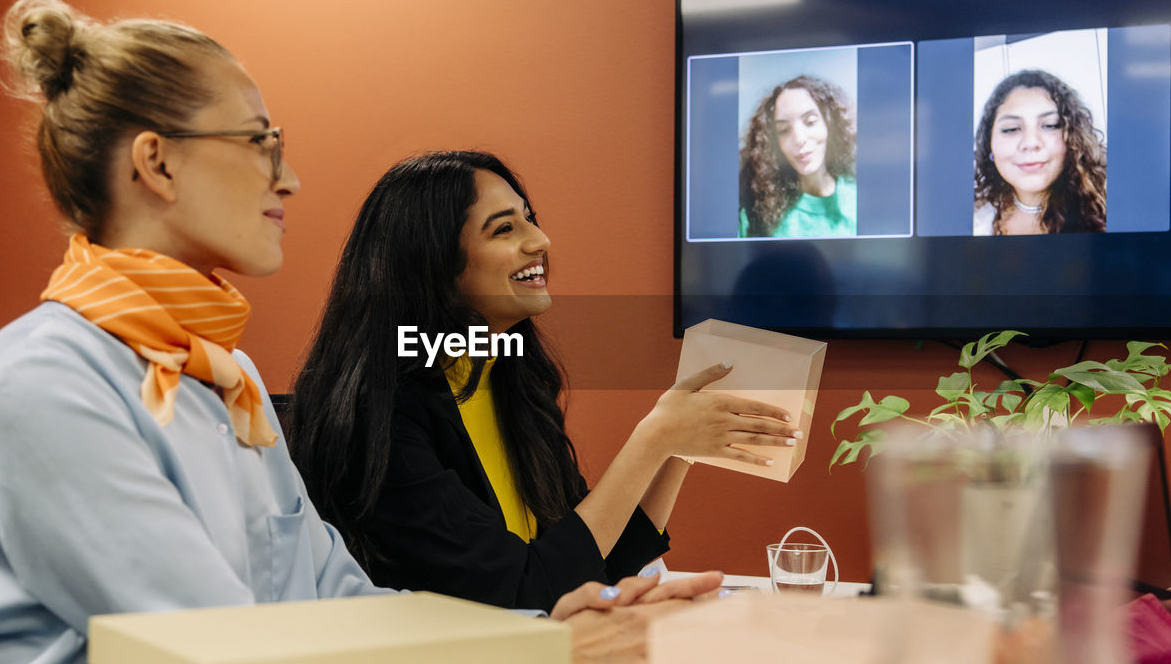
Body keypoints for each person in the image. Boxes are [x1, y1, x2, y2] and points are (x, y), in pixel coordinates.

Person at [0, 0, 720, 664]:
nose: (290, 178)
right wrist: (542, 645)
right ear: (156, 163)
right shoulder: (45, 385)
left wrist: (534, 634)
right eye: (261, 144)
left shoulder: (225, 381)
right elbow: (220, 653)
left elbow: (337, 601)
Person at [288, 150, 800, 612]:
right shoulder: (381, 415)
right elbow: (524, 594)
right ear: (434, 265)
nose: (541, 241)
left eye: (529, 219)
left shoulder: (505, 374)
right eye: (504, 229)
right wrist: (653, 439)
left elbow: (592, 563)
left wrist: (678, 449)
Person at [973, 69, 1107, 235]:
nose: (1030, 143)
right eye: (1011, 129)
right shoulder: (975, 219)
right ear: (989, 144)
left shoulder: (1109, 210)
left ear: (1074, 138)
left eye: (1050, 125)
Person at [738, 74, 858, 238]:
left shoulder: (861, 200)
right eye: (784, 131)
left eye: (810, 122)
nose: (799, 139)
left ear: (830, 124)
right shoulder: (756, 214)